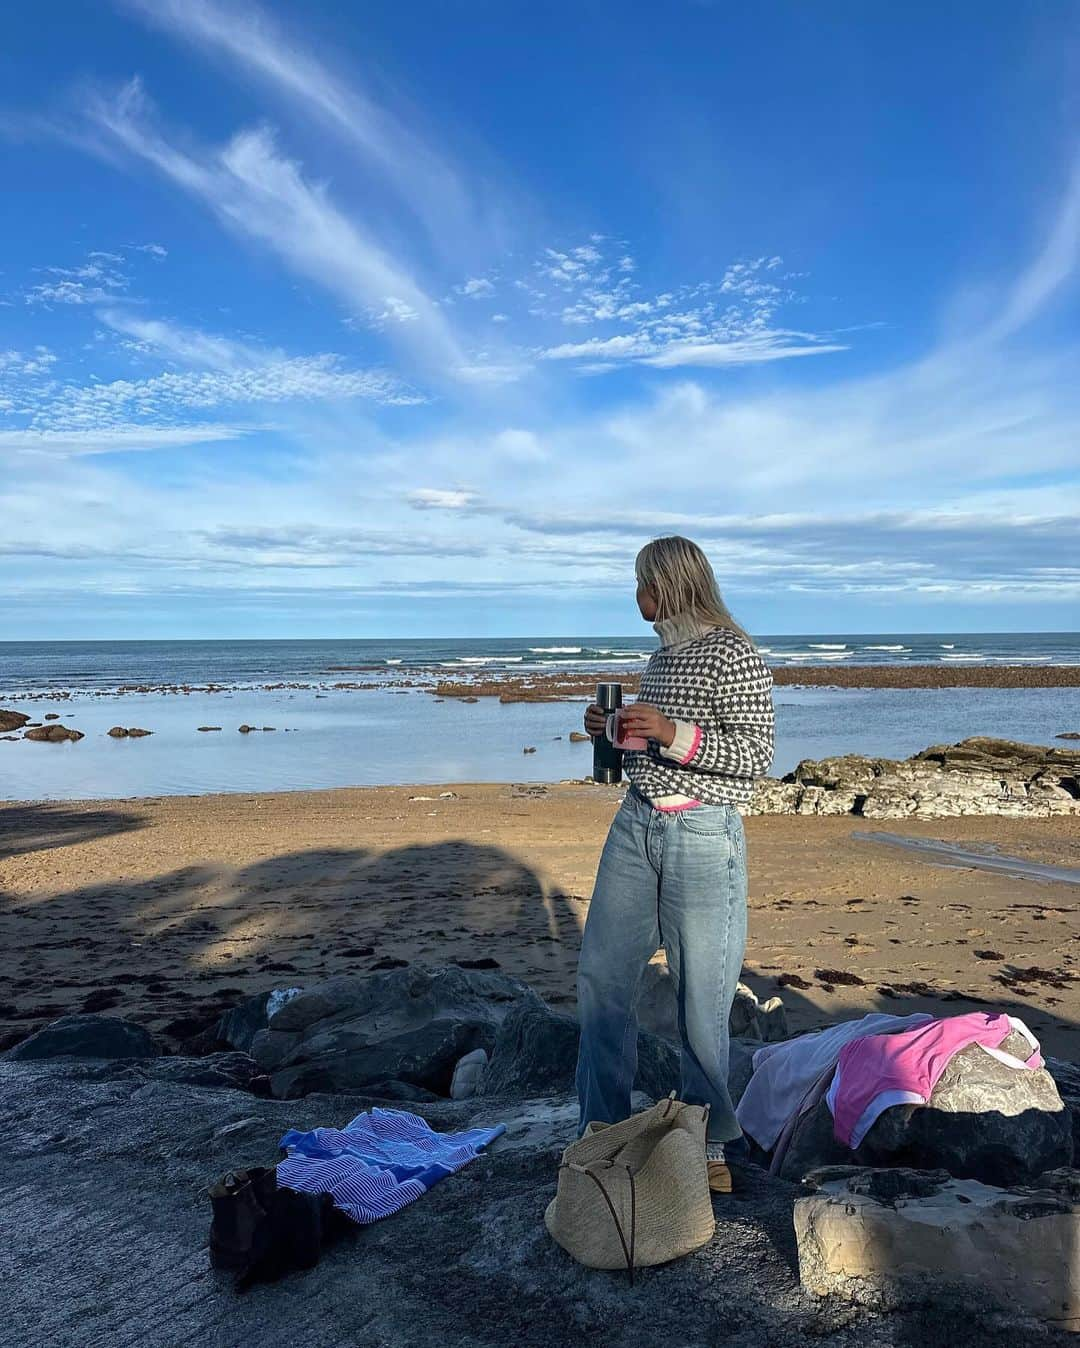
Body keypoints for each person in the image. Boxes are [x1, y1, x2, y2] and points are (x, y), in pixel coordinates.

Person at [576, 536, 775, 1194]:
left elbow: (752, 757)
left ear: (674, 583)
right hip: (636, 822)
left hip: (702, 832)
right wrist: (611, 729)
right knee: (602, 978)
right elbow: (651, 749)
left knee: (701, 998)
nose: (637, 596)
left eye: (643, 583)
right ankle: (599, 1130)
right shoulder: (662, 656)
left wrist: (666, 731)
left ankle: (710, 1143)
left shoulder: (733, 653)